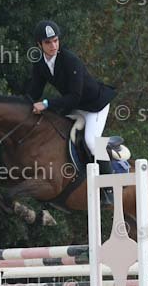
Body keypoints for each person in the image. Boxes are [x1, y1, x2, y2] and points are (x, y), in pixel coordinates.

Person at [27, 20, 117, 203]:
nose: (53, 46)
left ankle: (109, 189)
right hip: (75, 108)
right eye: (48, 42)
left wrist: (46, 103)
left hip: (94, 106)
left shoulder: (70, 60)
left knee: (92, 141)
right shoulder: (40, 64)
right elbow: (33, 93)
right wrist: (21, 106)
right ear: (39, 45)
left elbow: (75, 96)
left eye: (55, 40)